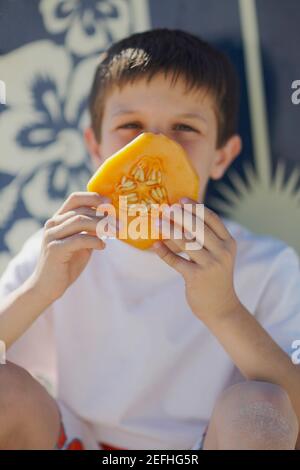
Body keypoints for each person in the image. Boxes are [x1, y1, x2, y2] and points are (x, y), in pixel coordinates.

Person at [0, 28, 299, 450]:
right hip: (75, 441)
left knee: (261, 407)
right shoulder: (57, 250)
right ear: (96, 147)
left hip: (202, 447)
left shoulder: (267, 266)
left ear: (221, 156)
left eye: (183, 127)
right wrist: (38, 290)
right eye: (131, 126)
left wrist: (225, 310)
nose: (154, 149)